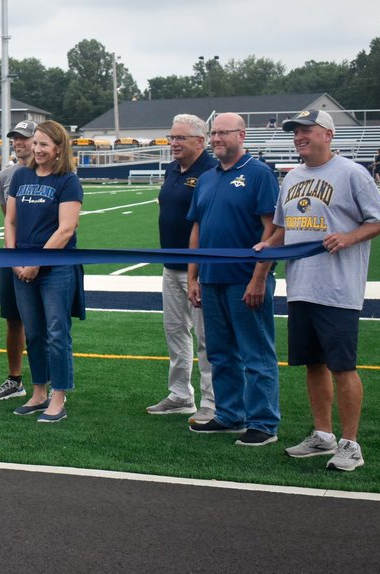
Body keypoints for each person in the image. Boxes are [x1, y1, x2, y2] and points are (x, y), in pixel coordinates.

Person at [259, 109, 380, 471]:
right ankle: (323, 435)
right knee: (312, 365)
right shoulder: (291, 179)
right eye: (295, 131)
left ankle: (351, 444)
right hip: (301, 286)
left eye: (306, 130)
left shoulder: (352, 173)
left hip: (338, 289)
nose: (299, 136)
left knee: (342, 366)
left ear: (328, 135)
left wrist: (350, 236)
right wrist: (267, 245)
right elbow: (284, 228)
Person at [186, 112, 281, 446]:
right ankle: (229, 415)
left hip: (245, 279)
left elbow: (272, 230)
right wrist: (193, 276)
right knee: (220, 353)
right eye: (213, 134)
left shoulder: (259, 174)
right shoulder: (208, 178)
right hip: (211, 279)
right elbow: (197, 227)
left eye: (223, 133)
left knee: (256, 354)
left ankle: (264, 422)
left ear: (242, 135)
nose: (216, 140)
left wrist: (259, 278)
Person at [3, 121, 84, 423]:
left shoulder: (68, 181)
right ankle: (38, 392)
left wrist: (37, 262)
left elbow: (66, 229)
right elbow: (10, 222)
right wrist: (14, 260)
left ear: (59, 148)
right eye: (35, 143)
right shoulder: (21, 175)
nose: (37, 149)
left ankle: (58, 396)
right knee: (34, 333)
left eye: (44, 145)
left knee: (56, 333)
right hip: (22, 267)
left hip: (55, 269)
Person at [147, 114, 217, 423]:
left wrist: (197, 269)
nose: (173, 143)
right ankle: (181, 395)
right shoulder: (173, 169)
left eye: (180, 138)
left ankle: (212, 402)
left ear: (200, 142)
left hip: (199, 268)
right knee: (175, 332)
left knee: (206, 337)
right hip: (170, 264)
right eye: (171, 137)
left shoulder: (212, 171)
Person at [0, 120, 36, 401]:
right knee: (12, 319)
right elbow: (7, 215)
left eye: (25, 139)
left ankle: (51, 382)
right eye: (16, 139)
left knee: (42, 321)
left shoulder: (50, 173)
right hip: (11, 253)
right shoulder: (6, 176)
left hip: (40, 254)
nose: (19, 143)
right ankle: (15, 379)